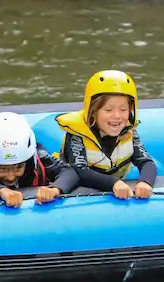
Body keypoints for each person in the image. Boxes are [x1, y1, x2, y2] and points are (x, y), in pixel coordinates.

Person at [56, 70, 157, 200]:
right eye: (108, 110)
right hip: (80, 187)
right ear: (92, 111)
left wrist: (145, 182)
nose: (117, 116)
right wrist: (113, 183)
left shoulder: (129, 132)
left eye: (123, 109)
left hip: (118, 183)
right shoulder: (77, 134)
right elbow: (79, 170)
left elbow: (146, 162)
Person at [0, 112, 79, 207]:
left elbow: (69, 172)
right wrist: (2, 191)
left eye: (18, 167)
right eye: (2, 169)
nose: (11, 176)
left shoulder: (37, 154)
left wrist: (55, 189)